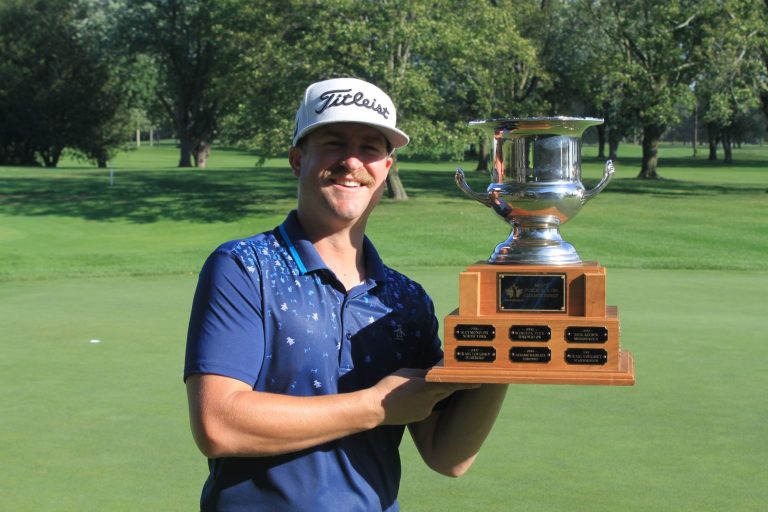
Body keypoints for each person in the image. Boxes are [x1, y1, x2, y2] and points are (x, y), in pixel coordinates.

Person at [184, 77, 508, 511]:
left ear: (387, 169)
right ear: (298, 160)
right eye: (334, 143)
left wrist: (501, 347)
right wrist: (376, 405)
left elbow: (447, 456)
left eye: (370, 148)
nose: (352, 160)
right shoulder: (245, 266)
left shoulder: (406, 300)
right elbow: (218, 425)